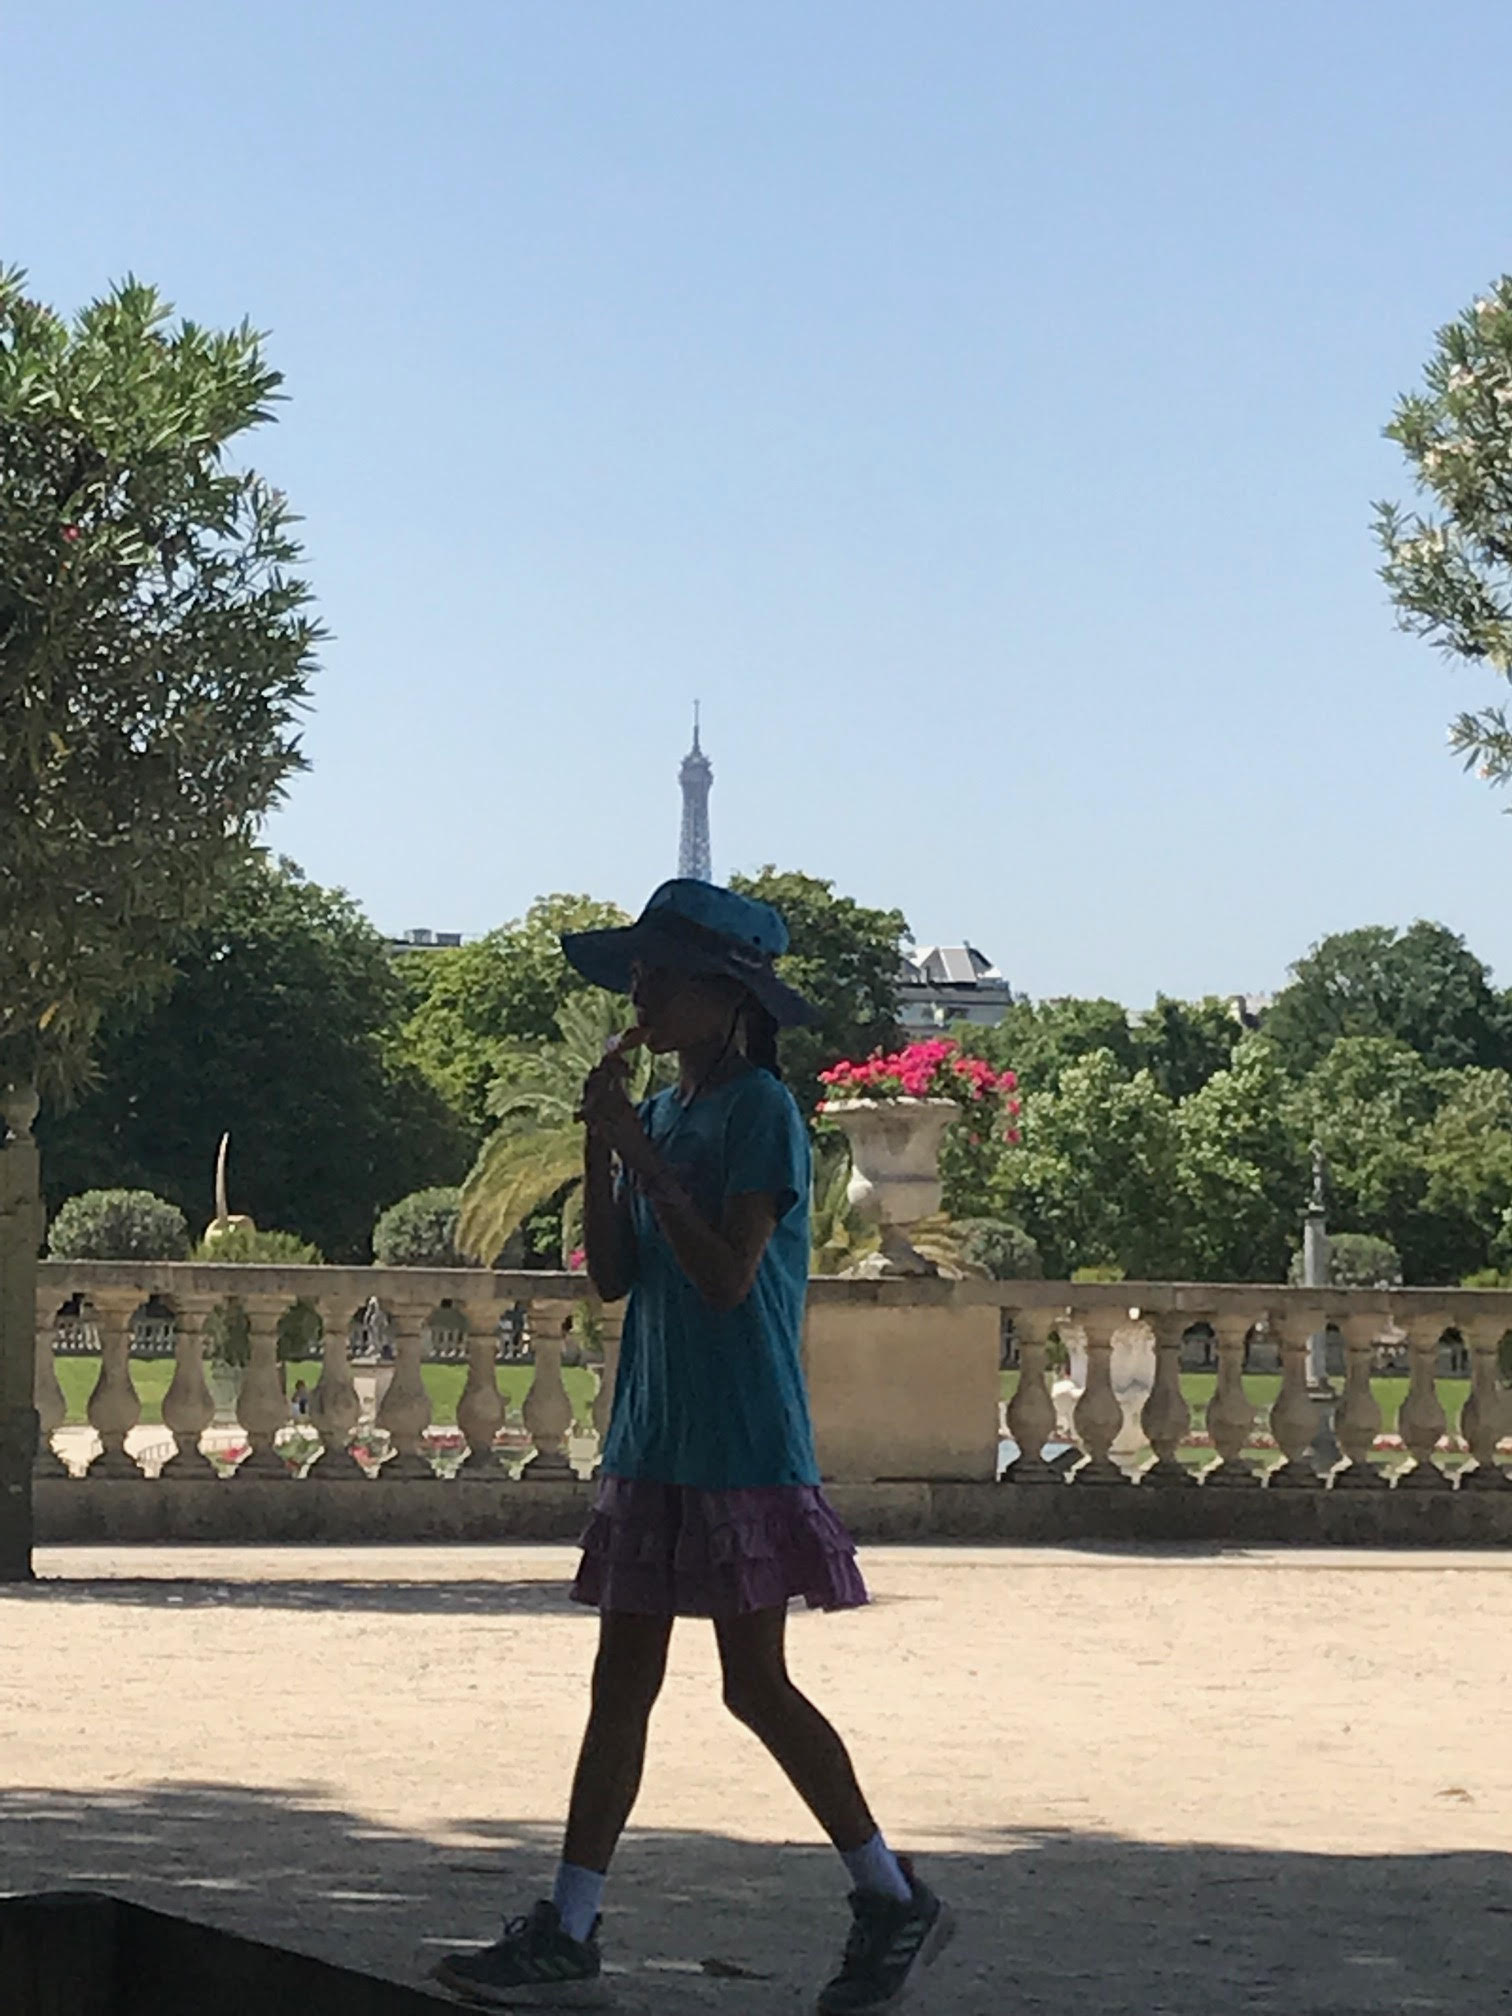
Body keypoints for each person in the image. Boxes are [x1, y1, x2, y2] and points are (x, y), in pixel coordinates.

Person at [435, 881, 953, 2012]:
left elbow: (726, 1277)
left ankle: (889, 1892)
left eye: (661, 972)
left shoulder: (761, 1109)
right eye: (641, 971)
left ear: (728, 996)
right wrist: (602, 1142)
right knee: (620, 1684)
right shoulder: (668, 1111)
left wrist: (639, 1152)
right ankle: (570, 1924)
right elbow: (616, 1275)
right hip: (657, 1435)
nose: (641, 990)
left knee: (754, 1686)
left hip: (739, 1440)